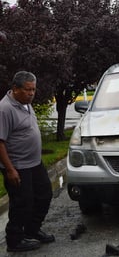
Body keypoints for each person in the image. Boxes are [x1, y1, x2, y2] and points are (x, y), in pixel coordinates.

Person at [0, 71, 55, 252]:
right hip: (17, 166)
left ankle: (31, 231)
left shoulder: (25, 103)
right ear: (15, 89)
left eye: (33, 89)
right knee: (22, 203)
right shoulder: (5, 109)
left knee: (44, 195)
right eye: (27, 90)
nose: (31, 93)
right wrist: (10, 170)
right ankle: (14, 240)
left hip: (34, 163)